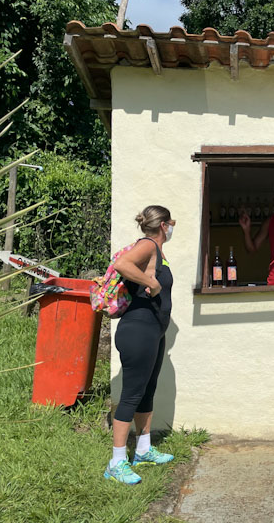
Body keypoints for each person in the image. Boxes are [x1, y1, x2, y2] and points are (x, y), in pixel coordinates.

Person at [104, 205, 176, 485]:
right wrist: (151, 283)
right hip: (138, 330)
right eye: (171, 223)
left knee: (147, 390)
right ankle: (116, 462)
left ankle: (143, 450)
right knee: (132, 394)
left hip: (153, 331)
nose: (172, 227)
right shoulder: (147, 245)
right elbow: (122, 265)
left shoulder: (157, 251)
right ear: (163, 225)